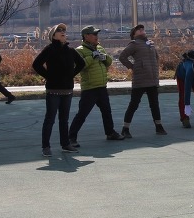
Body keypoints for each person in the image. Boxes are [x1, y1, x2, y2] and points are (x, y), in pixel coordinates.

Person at [32, 23, 86, 156]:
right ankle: (46, 146)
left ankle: (65, 144)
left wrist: (71, 75)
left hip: (67, 90)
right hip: (53, 90)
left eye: (64, 30)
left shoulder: (71, 50)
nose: (63, 32)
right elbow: (36, 64)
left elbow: (81, 63)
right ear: (53, 36)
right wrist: (48, 76)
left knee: (64, 119)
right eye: (59, 30)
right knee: (50, 119)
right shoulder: (49, 49)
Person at [68, 25, 125, 144]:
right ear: (86, 36)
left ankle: (110, 133)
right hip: (90, 88)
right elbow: (80, 66)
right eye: (94, 34)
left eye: (97, 34)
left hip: (101, 86)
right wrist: (92, 57)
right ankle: (71, 137)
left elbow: (109, 62)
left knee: (107, 111)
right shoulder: (79, 50)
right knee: (82, 113)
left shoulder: (99, 47)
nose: (96, 36)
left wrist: (104, 57)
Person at [118, 24, 167, 138]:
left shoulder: (150, 44)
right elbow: (122, 57)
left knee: (154, 104)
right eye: (138, 30)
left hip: (152, 79)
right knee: (134, 104)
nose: (141, 30)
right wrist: (132, 67)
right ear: (134, 34)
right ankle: (125, 128)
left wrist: (155, 69)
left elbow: (156, 57)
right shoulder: (134, 44)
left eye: (142, 29)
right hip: (140, 80)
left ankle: (159, 126)